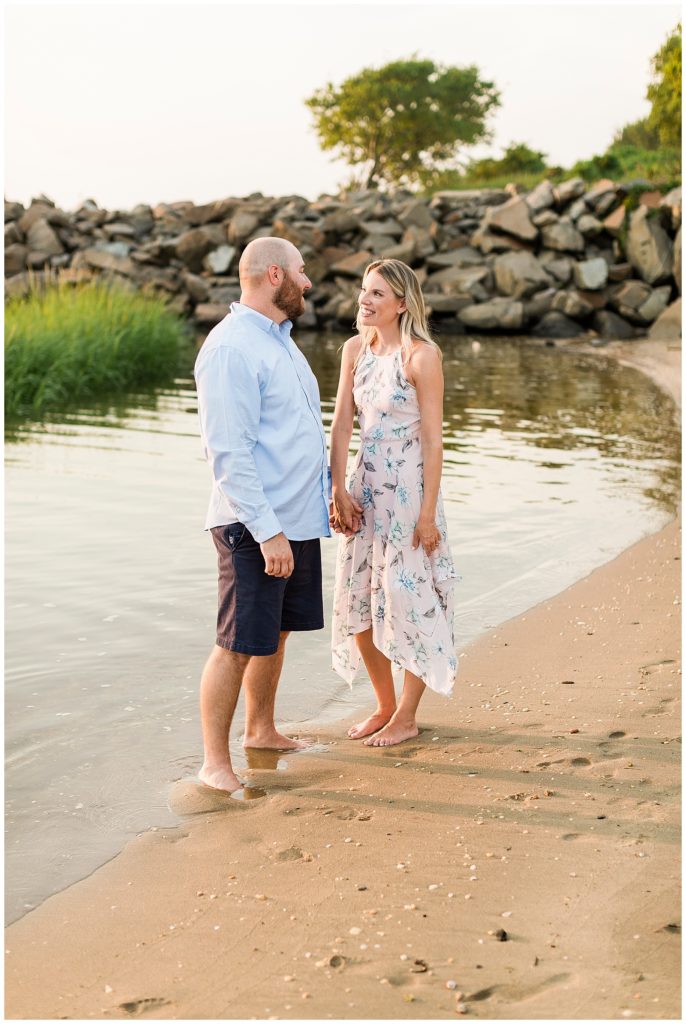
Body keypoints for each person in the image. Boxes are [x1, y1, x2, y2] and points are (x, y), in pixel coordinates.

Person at [194, 236, 332, 793]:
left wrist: (329, 498)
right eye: (301, 271)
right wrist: (268, 531)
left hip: (294, 519)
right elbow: (228, 451)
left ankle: (261, 731)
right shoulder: (231, 348)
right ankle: (214, 764)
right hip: (254, 524)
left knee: (274, 632)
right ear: (275, 275)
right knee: (236, 642)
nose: (308, 281)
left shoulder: (280, 341)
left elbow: (296, 435)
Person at [330, 258, 458, 747]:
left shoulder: (421, 357)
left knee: (411, 601)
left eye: (377, 293)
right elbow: (341, 423)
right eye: (364, 290)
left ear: (402, 304)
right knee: (358, 601)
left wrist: (427, 515)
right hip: (364, 492)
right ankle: (384, 704)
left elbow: (433, 441)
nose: (365, 299)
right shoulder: (354, 350)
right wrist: (337, 488)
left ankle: (407, 714)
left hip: (408, 497)